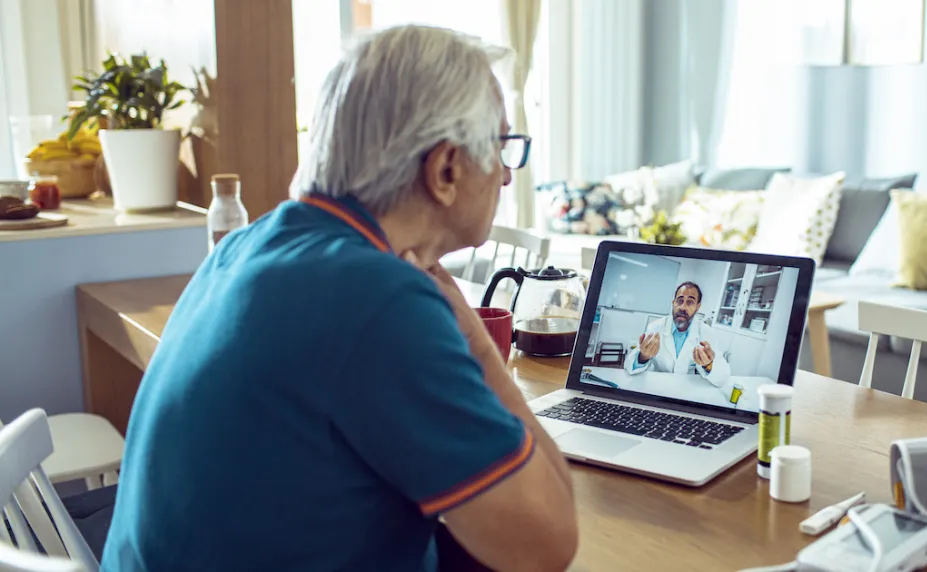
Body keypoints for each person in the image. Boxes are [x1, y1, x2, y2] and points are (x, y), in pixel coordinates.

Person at [100, 25, 577, 572]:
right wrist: (479, 344)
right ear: (445, 169)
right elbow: (548, 546)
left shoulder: (250, 244)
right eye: (501, 147)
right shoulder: (377, 299)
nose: (507, 177)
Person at [623, 282, 731, 387]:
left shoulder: (706, 333)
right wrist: (643, 356)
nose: (682, 307)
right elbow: (629, 366)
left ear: (698, 307)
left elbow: (722, 378)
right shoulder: (655, 327)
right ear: (673, 303)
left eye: (690, 302)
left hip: (686, 388)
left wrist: (708, 365)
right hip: (656, 385)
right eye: (679, 301)